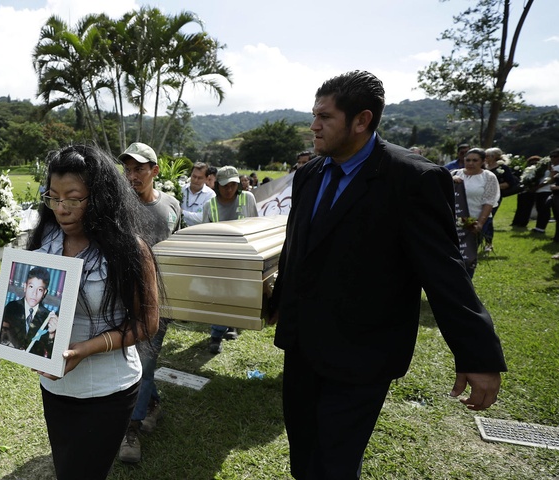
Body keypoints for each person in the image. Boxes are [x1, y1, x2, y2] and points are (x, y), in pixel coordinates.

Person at [269, 71, 506, 479]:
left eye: (324, 117)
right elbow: (298, 247)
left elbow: (444, 272)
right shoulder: (310, 174)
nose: (314, 126)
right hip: (303, 345)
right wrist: (277, 302)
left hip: (362, 353)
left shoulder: (413, 179)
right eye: (314, 115)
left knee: (336, 465)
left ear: (361, 120)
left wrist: (477, 353)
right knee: (304, 456)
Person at [28, 144, 159, 480]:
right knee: (66, 468)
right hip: (55, 389)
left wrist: (86, 349)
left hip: (109, 392)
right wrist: (28, 342)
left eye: (73, 198)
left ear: (99, 197)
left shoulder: (130, 248)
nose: (61, 209)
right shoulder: (45, 240)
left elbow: (147, 323)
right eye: (53, 197)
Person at [117, 142, 181, 463]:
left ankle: (131, 428)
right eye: (127, 169)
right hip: (123, 299)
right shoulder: (117, 207)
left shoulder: (172, 206)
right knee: (137, 362)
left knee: (145, 361)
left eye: (139, 168)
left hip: (161, 302)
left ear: (154, 171)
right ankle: (152, 404)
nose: (132, 175)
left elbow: (177, 249)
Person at [201, 165, 258, 354]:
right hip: (219, 259)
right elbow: (205, 234)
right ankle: (216, 335)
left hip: (243, 256)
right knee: (219, 295)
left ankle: (231, 324)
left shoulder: (247, 198)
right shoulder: (209, 205)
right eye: (225, 186)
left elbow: (256, 224)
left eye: (233, 185)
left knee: (237, 294)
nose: (229, 189)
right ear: (217, 185)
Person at [451, 148, 500, 276]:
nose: (471, 163)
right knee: (452, 254)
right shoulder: (455, 173)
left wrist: (480, 223)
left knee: (468, 255)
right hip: (455, 221)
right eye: (468, 160)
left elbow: (489, 201)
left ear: (483, 161)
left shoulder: (488, 177)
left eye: (475, 160)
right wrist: (451, 179)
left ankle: (466, 284)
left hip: (475, 221)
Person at [0, 267, 58, 357]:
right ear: (25, 287)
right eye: (31, 287)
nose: (34, 293)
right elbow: (2, 335)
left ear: (44, 292)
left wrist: (51, 334)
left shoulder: (47, 317)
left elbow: (50, 354)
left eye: (40, 290)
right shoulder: (12, 307)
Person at [483, 147, 517, 252]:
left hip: (494, 197)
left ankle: (488, 243)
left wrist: (494, 186)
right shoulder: (484, 167)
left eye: (487, 156)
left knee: (488, 218)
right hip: (481, 196)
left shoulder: (503, 168)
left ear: (494, 157)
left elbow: (511, 182)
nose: (485, 158)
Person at [511, 156, 544, 228]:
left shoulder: (539, 171)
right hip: (523, 190)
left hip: (531, 191)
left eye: (535, 162)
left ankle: (523, 222)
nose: (533, 164)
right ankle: (516, 221)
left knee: (527, 207)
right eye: (531, 162)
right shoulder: (526, 170)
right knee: (520, 206)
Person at [181, 162, 216, 227]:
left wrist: (181, 212)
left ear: (206, 178)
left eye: (200, 178)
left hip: (199, 233)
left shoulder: (210, 195)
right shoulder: (181, 190)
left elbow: (203, 218)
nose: (196, 180)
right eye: (194, 176)